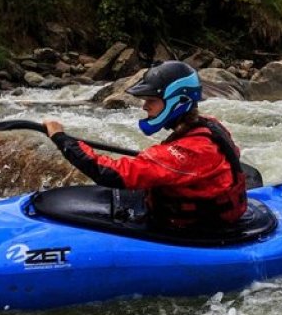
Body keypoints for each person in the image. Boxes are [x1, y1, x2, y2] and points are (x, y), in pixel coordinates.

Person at [41, 60, 247, 233]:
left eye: (152, 100)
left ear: (179, 102)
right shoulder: (209, 124)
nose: (144, 106)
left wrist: (61, 139)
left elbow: (109, 174)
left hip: (198, 228)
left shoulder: (191, 151)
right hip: (203, 210)